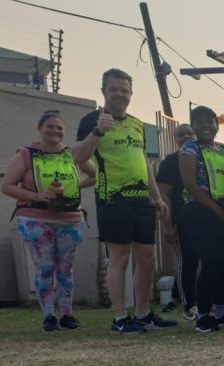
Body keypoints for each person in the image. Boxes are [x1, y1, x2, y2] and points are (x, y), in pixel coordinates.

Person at [73, 68, 176, 333]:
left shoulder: (137, 124)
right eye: (113, 89)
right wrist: (98, 131)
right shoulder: (91, 120)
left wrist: (157, 197)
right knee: (119, 258)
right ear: (104, 91)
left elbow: (143, 162)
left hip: (141, 199)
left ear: (131, 94)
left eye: (124, 90)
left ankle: (142, 313)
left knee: (147, 258)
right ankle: (120, 318)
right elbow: (78, 157)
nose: (119, 94)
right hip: (113, 198)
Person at [1, 110, 95, 332]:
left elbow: (95, 174)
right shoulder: (26, 154)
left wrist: (74, 188)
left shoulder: (72, 154)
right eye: (50, 127)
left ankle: (67, 314)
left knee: (65, 269)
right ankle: (49, 316)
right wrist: (37, 196)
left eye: (59, 128)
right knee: (45, 267)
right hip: (36, 219)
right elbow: (7, 186)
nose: (55, 131)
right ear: (40, 129)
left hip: (69, 219)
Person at [177, 106, 224, 332]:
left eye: (210, 121)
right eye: (199, 122)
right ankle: (203, 315)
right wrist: (217, 211)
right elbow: (190, 184)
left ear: (217, 125)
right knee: (211, 262)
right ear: (194, 127)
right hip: (202, 211)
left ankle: (221, 311)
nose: (205, 126)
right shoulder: (189, 148)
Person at [154, 124, 197, 317]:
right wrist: (168, 225)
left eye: (189, 133)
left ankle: (204, 300)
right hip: (181, 218)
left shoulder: (203, 158)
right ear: (175, 138)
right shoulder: (170, 162)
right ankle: (188, 305)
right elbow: (164, 195)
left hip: (204, 218)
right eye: (181, 135)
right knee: (186, 261)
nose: (186, 137)